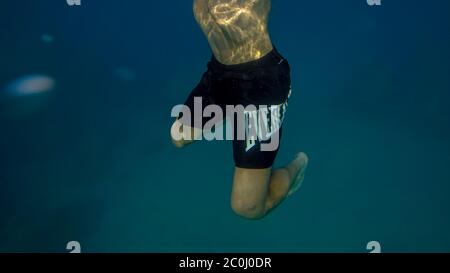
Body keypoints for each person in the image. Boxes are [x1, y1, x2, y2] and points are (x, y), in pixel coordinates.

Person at [170, 0, 309, 220]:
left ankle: (298, 165)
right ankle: (233, 112)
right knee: (179, 136)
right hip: (219, 75)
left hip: (261, 85)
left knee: (248, 208)